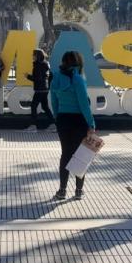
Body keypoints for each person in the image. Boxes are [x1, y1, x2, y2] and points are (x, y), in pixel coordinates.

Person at [50, 51, 96, 200]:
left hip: (63, 119)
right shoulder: (78, 79)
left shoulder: (56, 78)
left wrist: (57, 117)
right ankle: (78, 191)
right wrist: (91, 123)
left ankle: (62, 190)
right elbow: (84, 104)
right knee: (81, 154)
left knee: (65, 154)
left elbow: (54, 101)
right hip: (79, 120)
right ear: (78, 63)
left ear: (63, 62)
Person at [25, 49, 53, 131]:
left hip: (39, 90)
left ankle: (33, 126)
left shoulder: (37, 66)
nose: (32, 56)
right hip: (45, 89)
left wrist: (28, 76)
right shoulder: (46, 64)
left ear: (37, 56)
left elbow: (37, 79)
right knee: (45, 106)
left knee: (33, 106)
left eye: (33, 55)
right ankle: (53, 124)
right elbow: (50, 76)